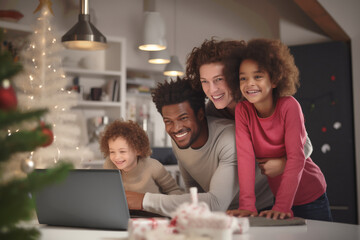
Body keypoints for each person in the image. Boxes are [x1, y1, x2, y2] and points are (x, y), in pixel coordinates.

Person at [125, 77, 274, 217]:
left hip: (262, 211)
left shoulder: (230, 138)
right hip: (224, 214)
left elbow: (216, 203)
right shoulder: (180, 141)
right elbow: (194, 195)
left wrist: (143, 200)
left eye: (183, 118)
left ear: (201, 114)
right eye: (168, 121)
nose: (176, 128)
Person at [226, 38, 332, 221]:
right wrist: (247, 206)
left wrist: (282, 206)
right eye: (243, 78)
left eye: (258, 76)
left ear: (274, 79)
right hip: (279, 197)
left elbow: (296, 157)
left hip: (311, 196)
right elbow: (245, 159)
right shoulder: (243, 111)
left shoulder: (289, 106)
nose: (249, 83)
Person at [185, 38, 313, 177]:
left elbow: (306, 146)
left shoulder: (263, 101)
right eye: (205, 81)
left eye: (219, 79)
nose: (212, 90)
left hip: (296, 182)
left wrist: (284, 163)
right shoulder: (211, 113)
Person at [100, 120, 183, 195]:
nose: (116, 157)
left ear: (138, 150)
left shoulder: (154, 166)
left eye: (122, 151)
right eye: (112, 152)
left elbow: (174, 190)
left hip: (152, 211)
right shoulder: (109, 165)